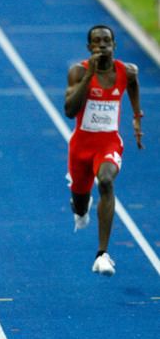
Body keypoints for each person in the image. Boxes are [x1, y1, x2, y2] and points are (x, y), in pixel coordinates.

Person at [64, 25, 143, 277]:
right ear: (89, 48)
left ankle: (102, 254)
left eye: (106, 40)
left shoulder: (127, 71)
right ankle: (81, 205)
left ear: (114, 44)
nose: (102, 45)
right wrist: (89, 76)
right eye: (96, 42)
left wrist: (136, 117)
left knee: (106, 181)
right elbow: (69, 111)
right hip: (81, 146)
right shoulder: (78, 71)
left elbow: (133, 86)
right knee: (79, 204)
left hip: (108, 143)